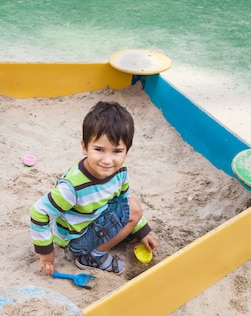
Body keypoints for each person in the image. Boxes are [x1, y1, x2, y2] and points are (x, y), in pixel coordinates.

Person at [30, 101, 157, 276]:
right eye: (99, 149)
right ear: (84, 147)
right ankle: (93, 257)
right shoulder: (73, 187)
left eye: (117, 151)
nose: (107, 160)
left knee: (131, 212)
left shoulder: (120, 171)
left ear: (127, 150)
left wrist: (142, 231)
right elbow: (39, 212)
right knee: (134, 208)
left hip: (95, 220)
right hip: (76, 239)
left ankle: (106, 242)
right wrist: (46, 254)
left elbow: (122, 203)